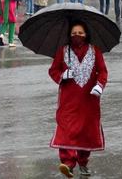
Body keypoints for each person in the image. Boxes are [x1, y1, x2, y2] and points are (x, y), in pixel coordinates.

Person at [48, 21, 108, 178]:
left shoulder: (96, 52)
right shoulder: (63, 51)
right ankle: (67, 164)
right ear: (69, 35)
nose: (77, 36)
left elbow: (102, 71)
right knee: (66, 129)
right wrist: (62, 76)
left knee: (85, 132)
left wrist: (99, 85)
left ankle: (83, 162)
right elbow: (53, 70)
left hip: (89, 101)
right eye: (74, 33)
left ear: (86, 34)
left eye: (80, 33)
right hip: (68, 100)